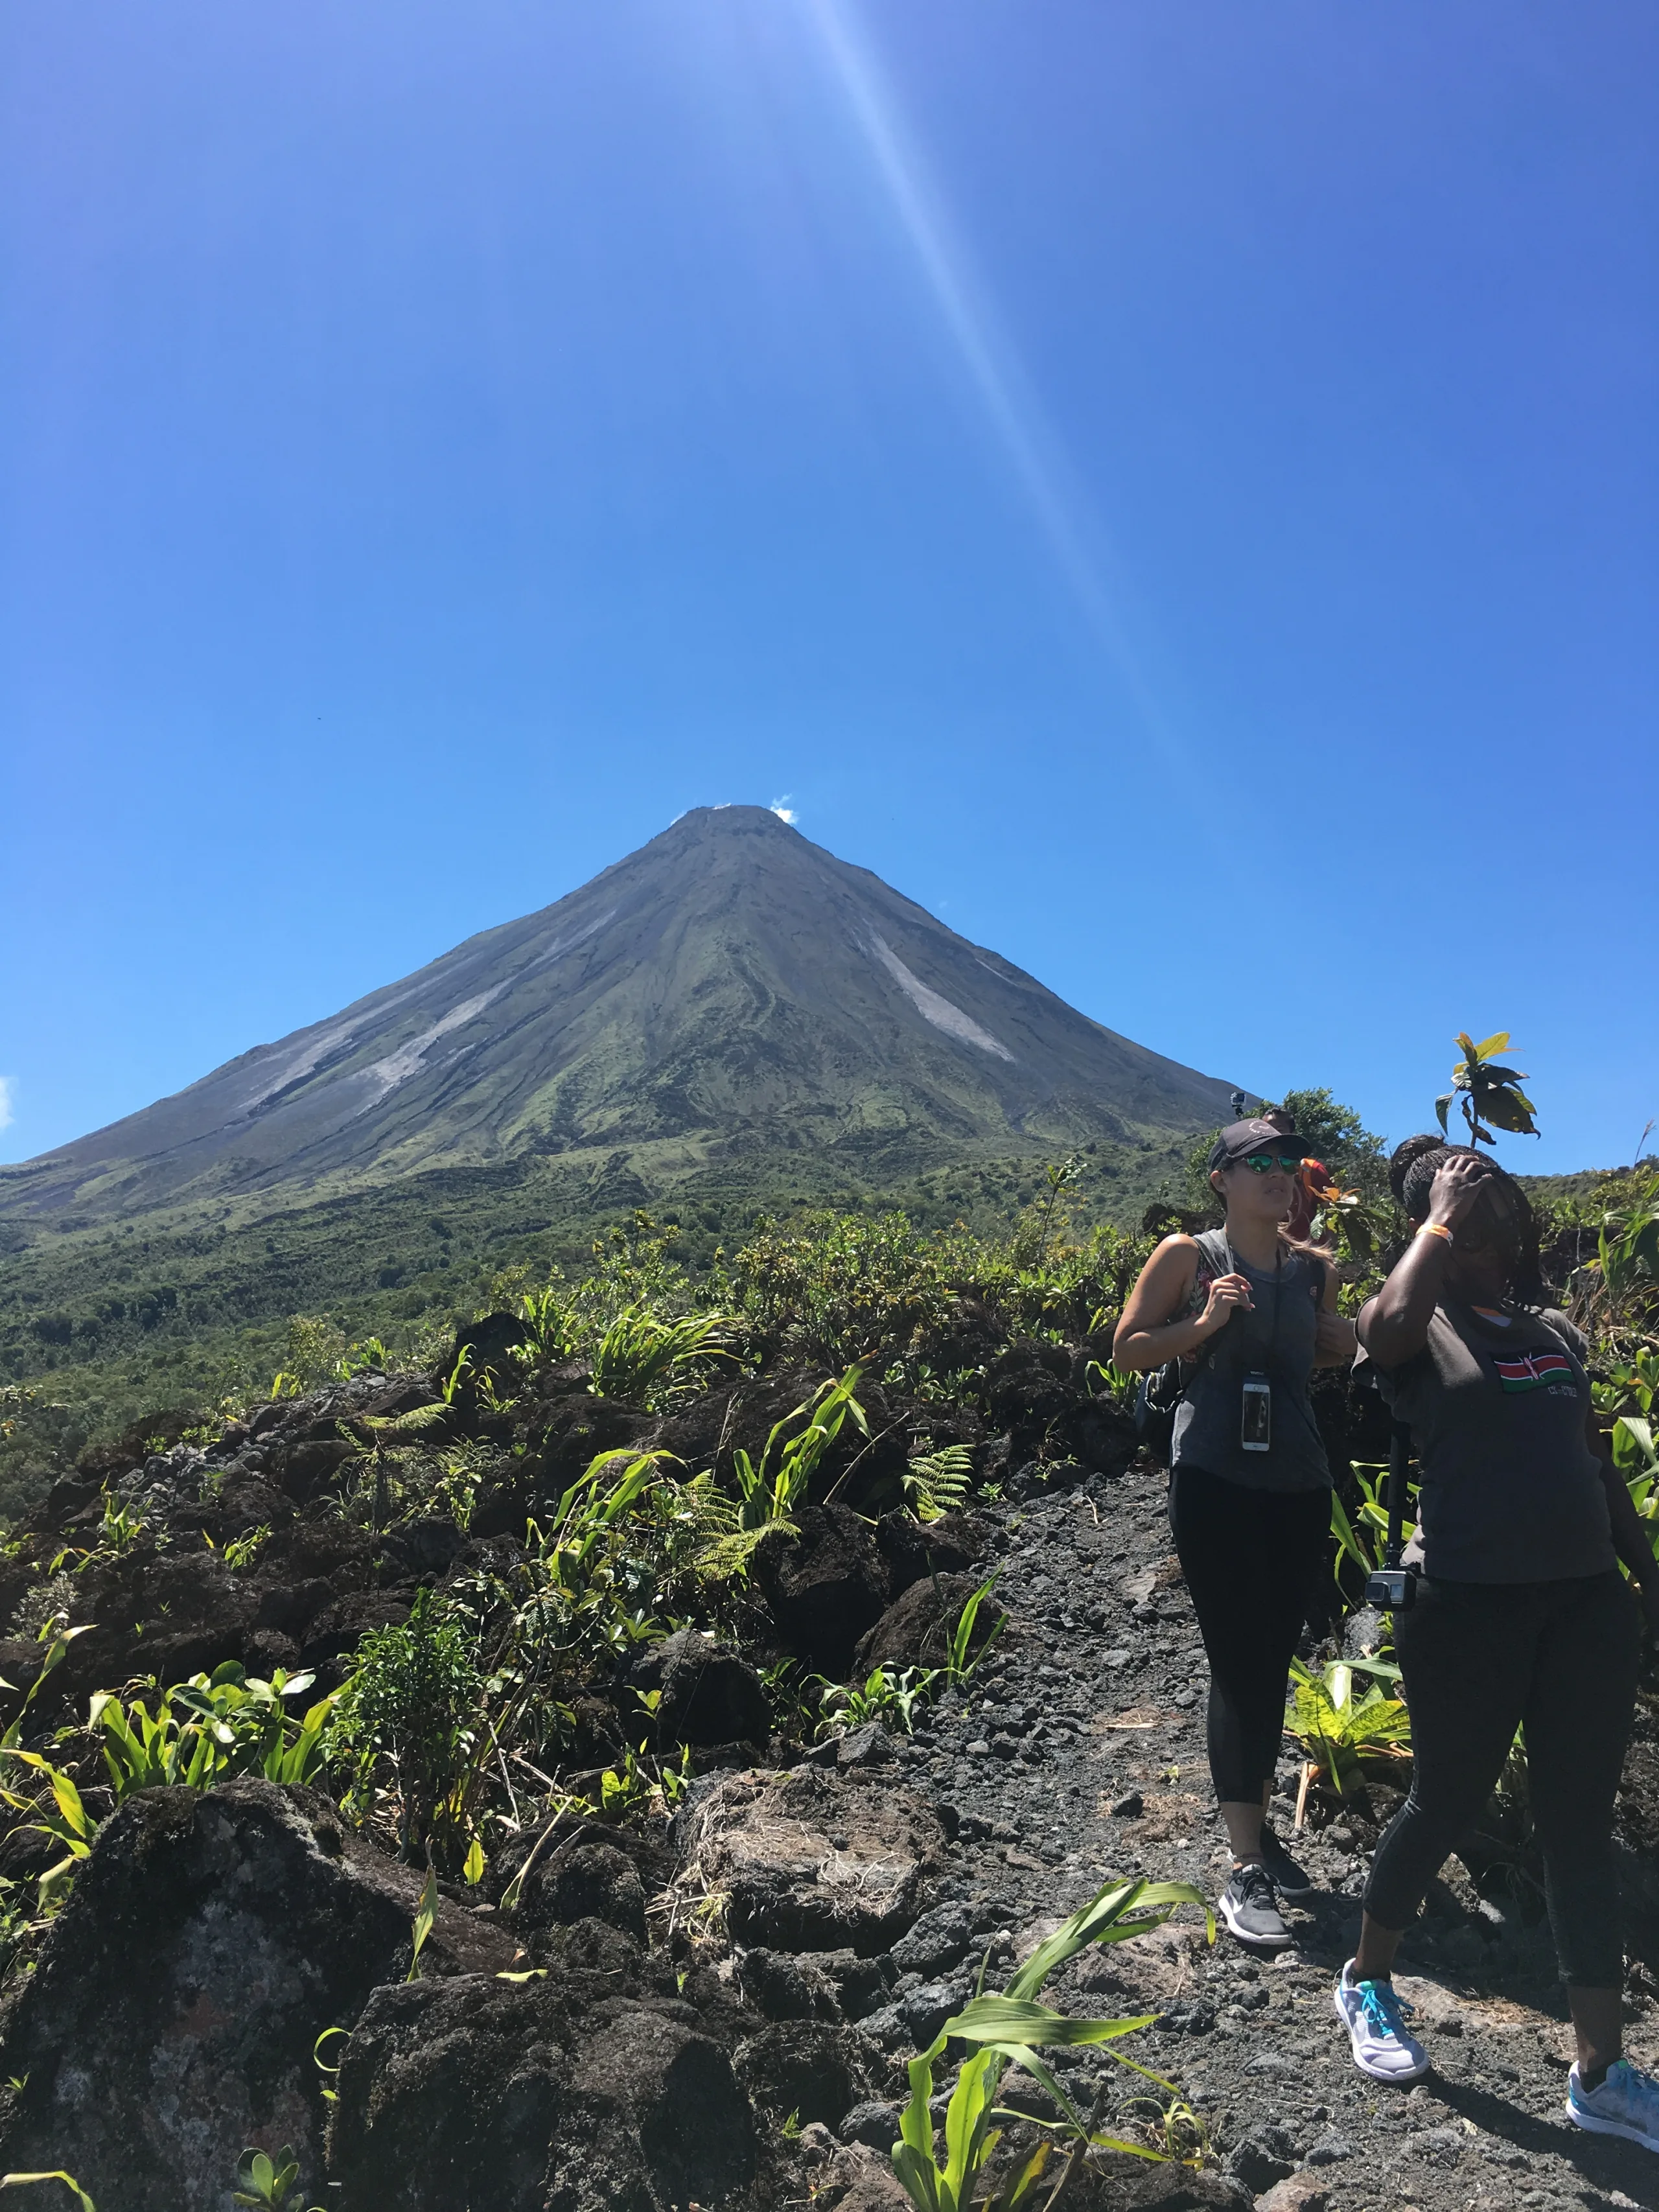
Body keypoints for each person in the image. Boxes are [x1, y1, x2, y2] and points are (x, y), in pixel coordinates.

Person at [1334, 1136, 1659, 2154]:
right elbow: (1385, 1328)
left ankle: (1601, 2073)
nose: (1492, 1219)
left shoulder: (1550, 1330)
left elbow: (1596, 1464)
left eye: (1495, 1201)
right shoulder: (1412, 1322)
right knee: (1447, 1798)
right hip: (1468, 1604)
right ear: (1428, 1221)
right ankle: (1367, 1978)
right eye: (1464, 1207)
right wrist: (1439, 1216)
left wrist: (1647, 1579)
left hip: (1583, 1604)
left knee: (1578, 1825)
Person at [1115, 1116, 1355, 1947]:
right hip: (1214, 1477)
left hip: (1298, 1482)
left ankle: (1257, 1828)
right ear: (1221, 1177)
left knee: (1273, 1656)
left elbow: (1313, 1359)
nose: (1279, 1172)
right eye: (1259, 1161)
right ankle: (1244, 1864)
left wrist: (1344, 1343)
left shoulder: (1314, 1269)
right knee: (1236, 1657)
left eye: (1288, 1160)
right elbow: (1129, 1349)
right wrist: (1204, 1324)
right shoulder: (1190, 1255)